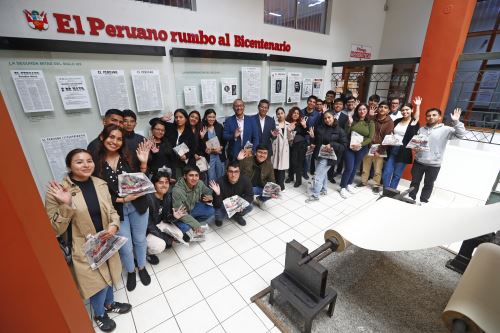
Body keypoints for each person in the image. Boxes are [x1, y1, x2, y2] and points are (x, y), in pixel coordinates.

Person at [45, 149, 132, 331]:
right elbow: (54, 229)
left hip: (106, 241)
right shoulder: (58, 191)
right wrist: (66, 205)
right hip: (83, 247)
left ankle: (110, 304)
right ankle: (99, 314)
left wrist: (114, 225)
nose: (86, 164)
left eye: (89, 160)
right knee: (96, 284)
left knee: (109, 276)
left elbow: (112, 211)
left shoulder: (100, 183)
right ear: (69, 166)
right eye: (79, 162)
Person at [92, 124, 151, 292]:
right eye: (111, 137)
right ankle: (131, 271)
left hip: (138, 205)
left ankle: (141, 267)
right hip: (116, 210)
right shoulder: (95, 163)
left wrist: (144, 164)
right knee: (125, 246)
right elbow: (99, 192)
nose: (115, 141)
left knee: (140, 240)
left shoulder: (128, 156)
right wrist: (121, 198)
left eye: (119, 139)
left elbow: (141, 181)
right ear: (102, 137)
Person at [408, 107, 466, 203]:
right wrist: (415, 148)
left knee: (429, 183)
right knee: (414, 181)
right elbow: (417, 144)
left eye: (434, 115)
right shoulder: (421, 129)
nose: (431, 117)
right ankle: (411, 197)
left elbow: (460, 135)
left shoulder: (446, 129)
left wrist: (456, 122)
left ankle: (423, 200)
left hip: (434, 164)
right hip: (419, 161)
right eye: (428, 115)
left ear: (439, 117)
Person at [145, 171, 188, 264]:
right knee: (160, 245)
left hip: (159, 223)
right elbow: (148, 225)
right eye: (160, 182)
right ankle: (147, 253)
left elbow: (166, 217)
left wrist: (174, 216)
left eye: (166, 182)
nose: (164, 185)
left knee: (179, 235)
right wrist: (167, 239)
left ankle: (164, 240)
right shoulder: (148, 199)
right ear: (154, 184)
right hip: (148, 230)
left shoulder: (167, 196)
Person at [306, 111, 347, 202]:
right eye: (325, 118)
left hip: (329, 157)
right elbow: (316, 141)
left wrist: (332, 144)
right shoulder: (320, 128)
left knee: (317, 176)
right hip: (318, 155)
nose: (327, 120)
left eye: (329, 117)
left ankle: (315, 195)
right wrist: (312, 138)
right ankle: (324, 190)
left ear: (333, 118)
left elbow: (344, 146)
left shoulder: (340, 131)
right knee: (323, 174)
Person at [382, 96, 422, 189]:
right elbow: (391, 132)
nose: (405, 112)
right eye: (403, 110)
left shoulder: (413, 122)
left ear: (411, 110)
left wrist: (418, 106)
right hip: (393, 149)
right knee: (386, 172)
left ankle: (391, 190)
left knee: (397, 174)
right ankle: (386, 188)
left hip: (404, 151)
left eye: (407, 110)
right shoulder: (397, 121)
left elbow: (416, 118)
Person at [339, 103, 374, 198]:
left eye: (364, 109)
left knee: (355, 167)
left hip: (362, 149)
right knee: (349, 167)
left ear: (366, 111)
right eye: (360, 109)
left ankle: (349, 184)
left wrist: (361, 144)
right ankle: (342, 187)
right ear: (357, 111)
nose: (362, 111)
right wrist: (349, 124)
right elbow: (345, 134)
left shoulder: (370, 122)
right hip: (350, 147)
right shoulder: (352, 120)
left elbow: (370, 138)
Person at [359, 101, 394, 194]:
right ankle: (363, 182)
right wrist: (369, 116)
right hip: (368, 145)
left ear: (388, 110)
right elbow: (365, 127)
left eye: (385, 107)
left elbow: (388, 139)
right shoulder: (373, 118)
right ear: (378, 108)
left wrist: (380, 150)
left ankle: (376, 184)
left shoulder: (390, 122)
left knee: (378, 169)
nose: (382, 109)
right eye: (381, 107)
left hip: (380, 148)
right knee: (365, 166)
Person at [171, 165, 214, 239]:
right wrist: (196, 225)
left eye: (196, 175)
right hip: (180, 214)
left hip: (192, 208)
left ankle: (191, 222)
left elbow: (208, 191)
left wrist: (210, 197)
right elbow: (180, 212)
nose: (194, 178)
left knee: (211, 210)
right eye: (191, 175)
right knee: (185, 228)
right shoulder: (177, 191)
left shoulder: (199, 183)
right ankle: (188, 224)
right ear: (185, 176)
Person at [209, 161, 254, 227]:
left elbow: (250, 196)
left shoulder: (245, 180)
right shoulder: (219, 182)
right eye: (231, 171)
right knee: (217, 214)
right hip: (223, 205)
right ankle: (219, 219)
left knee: (249, 207)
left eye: (236, 172)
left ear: (239, 172)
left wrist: (241, 205)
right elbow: (216, 205)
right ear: (227, 172)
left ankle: (237, 215)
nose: (233, 175)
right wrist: (218, 194)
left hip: (237, 203)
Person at [238, 144, 276, 209]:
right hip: (248, 187)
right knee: (246, 206)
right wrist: (239, 160)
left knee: (273, 190)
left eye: (265, 153)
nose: (262, 155)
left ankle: (260, 200)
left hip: (260, 187)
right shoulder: (246, 160)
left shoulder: (269, 165)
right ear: (255, 152)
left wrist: (273, 190)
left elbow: (272, 179)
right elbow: (236, 172)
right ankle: (247, 197)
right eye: (260, 152)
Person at [165, 109, 196, 179]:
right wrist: (163, 119)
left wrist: (186, 155)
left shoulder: (189, 132)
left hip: (183, 162)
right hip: (171, 160)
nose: (178, 119)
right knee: (174, 181)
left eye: (181, 117)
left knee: (183, 181)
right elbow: (152, 122)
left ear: (186, 119)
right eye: (176, 117)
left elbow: (193, 148)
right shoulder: (170, 128)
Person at [285, 106, 309, 187]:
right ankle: (290, 177)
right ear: (291, 113)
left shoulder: (302, 122)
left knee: (298, 163)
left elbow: (307, 133)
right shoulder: (287, 122)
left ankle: (298, 181)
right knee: (290, 162)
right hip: (290, 145)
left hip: (300, 146)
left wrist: (305, 126)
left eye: (297, 113)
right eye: (294, 113)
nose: (295, 114)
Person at [201, 109, 226, 182]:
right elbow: (200, 144)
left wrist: (221, 147)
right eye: (209, 117)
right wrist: (202, 137)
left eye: (213, 117)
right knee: (211, 177)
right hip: (209, 157)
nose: (211, 119)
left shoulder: (219, 126)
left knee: (221, 176)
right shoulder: (202, 127)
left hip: (219, 155)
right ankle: (212, 193)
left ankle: (221, 192)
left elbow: (224, 140)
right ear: (205, 117)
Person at [271, 107, 292, 191]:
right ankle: (275, 184)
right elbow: (272, 137)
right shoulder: (274, 124)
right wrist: (273, 135)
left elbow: (291, 139)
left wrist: (290, 131)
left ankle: (281, 185)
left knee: (282, 168)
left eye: (281, 113)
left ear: (284, 114)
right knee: (275, 167)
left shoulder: (288, 124)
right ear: (276, 115)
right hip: (276, 148)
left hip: (284, 149)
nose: (280, 115)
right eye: (278, 114)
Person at [301, 95, 319, 180]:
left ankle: (305, 172)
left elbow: (317, 127)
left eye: (314, 102)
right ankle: (298, 170)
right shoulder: (301, 112)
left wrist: (314, 139)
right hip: (300, 136)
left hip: (310, 137)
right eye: (310, 101)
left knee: (307, 156)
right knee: (300, 155)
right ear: (307, 101)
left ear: (315, 104)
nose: (311, 103)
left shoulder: (317, 115)